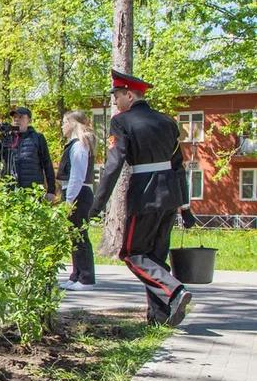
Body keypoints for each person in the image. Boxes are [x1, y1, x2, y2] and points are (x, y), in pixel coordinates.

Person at [89, 70, 193, 326]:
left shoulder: (122, 122)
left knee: (132, 254)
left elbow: (113, 166)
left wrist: (96, 205)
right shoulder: (168, 122)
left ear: (129, 94)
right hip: (170, 196)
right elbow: (179, 166)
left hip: (144, 196)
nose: (114, 100)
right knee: (155, 257)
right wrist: (186, 207)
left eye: (116, 95)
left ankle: (174, 290)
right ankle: (159, 317)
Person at [57, 111, 97, 291]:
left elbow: (77, 175)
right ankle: (77, 275)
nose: (62, 125)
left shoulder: (80, 145)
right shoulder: (73, 144)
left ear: (74, 123)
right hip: (74, 193)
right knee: (74, 236)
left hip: (78, 194)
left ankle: (86, 278)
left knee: (80, 236)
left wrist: (69, 199)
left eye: (65, 122)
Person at [0, 106, 55, 199]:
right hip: (10, 191)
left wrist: (51, 190)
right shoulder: (6, 138)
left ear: (29, 120)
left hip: (33, 191)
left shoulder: (37, 138)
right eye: (14, 117)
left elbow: (47, 164)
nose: (17, 120)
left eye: (21, 117)